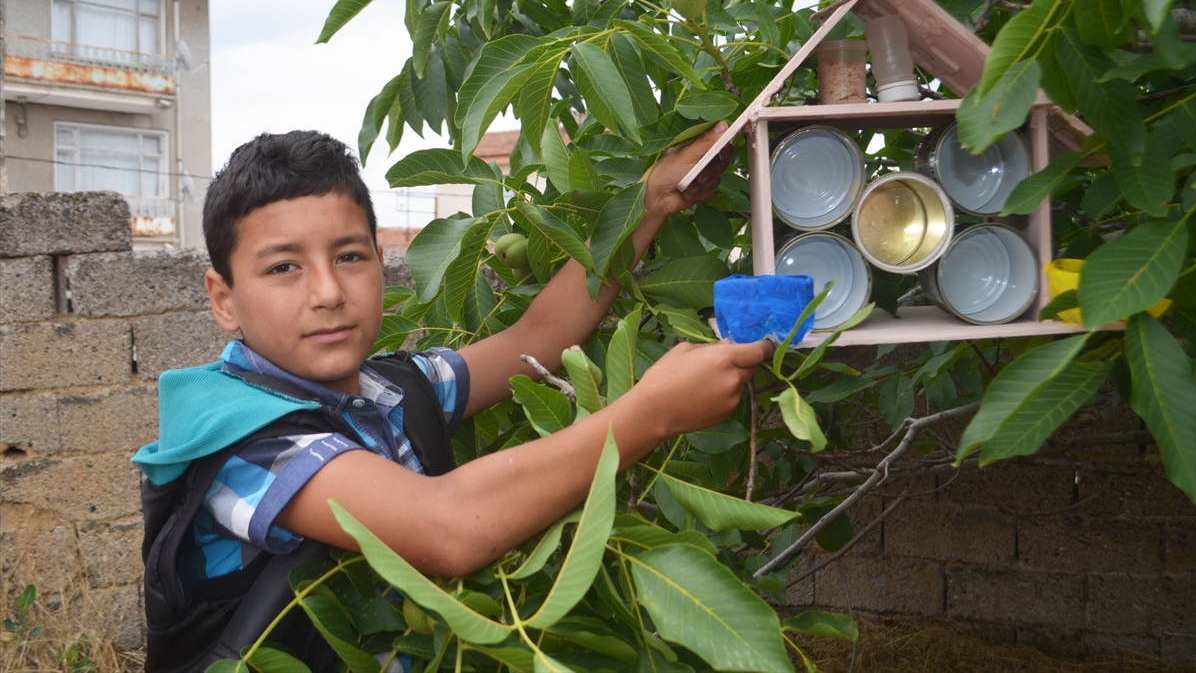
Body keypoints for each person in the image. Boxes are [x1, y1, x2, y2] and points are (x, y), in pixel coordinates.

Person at [134, 123, 772, 669]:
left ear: (382, 263)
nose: (327, 292)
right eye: (283, 267)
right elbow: (449, 527)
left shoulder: (393, 387)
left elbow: (539, 335)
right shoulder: (236, 435)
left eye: (350, 256)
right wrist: (651, 413)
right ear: (223, 299)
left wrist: (651, 200)